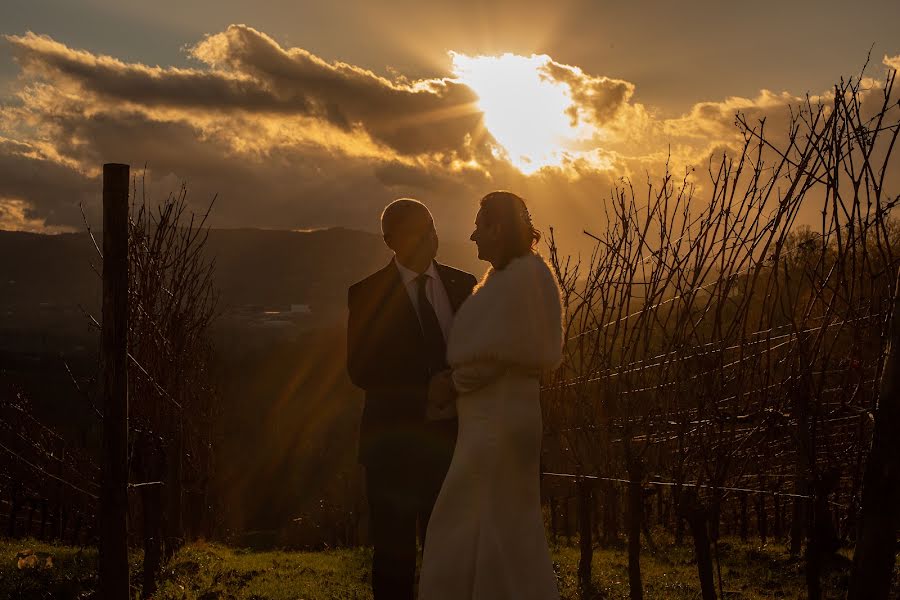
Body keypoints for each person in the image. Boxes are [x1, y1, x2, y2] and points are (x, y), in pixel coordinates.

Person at [418, 191, 563, 600]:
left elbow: (500, 354)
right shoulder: (513, 277)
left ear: (498, 228)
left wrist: (452, 383)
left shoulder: (522, 278)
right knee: (494, 519)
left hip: (497, 421)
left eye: (480, 225)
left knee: (471, 515)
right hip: (495, 418)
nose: (473, 234)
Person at [346, 198, 477, 600]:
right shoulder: (366, 294)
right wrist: (425, 390)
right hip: (393, 446)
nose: (430, 237)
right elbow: (361, 369)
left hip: (454, 442)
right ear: (390, 241)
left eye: (432, 227)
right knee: (394, 555)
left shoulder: (464, 285)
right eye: (418, 231)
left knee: (451, 549)